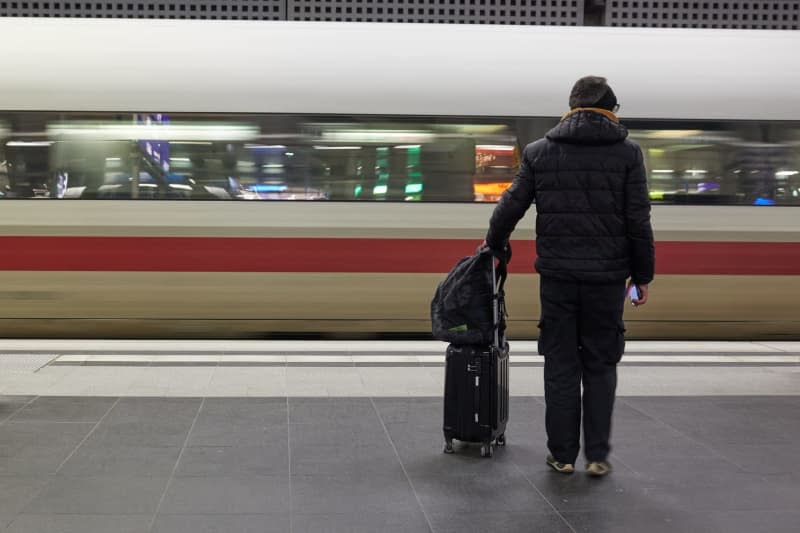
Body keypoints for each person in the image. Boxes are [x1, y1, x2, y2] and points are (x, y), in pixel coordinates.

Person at [484, 76, 655, 477]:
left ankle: (562, 455)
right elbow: (638, 220)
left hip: (558, 279)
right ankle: (597, 456)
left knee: (561, 365)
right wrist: (641, 276)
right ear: (611, 109)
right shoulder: (629, 154)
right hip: (608, 280)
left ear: (571, 107)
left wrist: (495, 247)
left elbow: (509, 207)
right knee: (601, 364)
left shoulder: (540, 152)